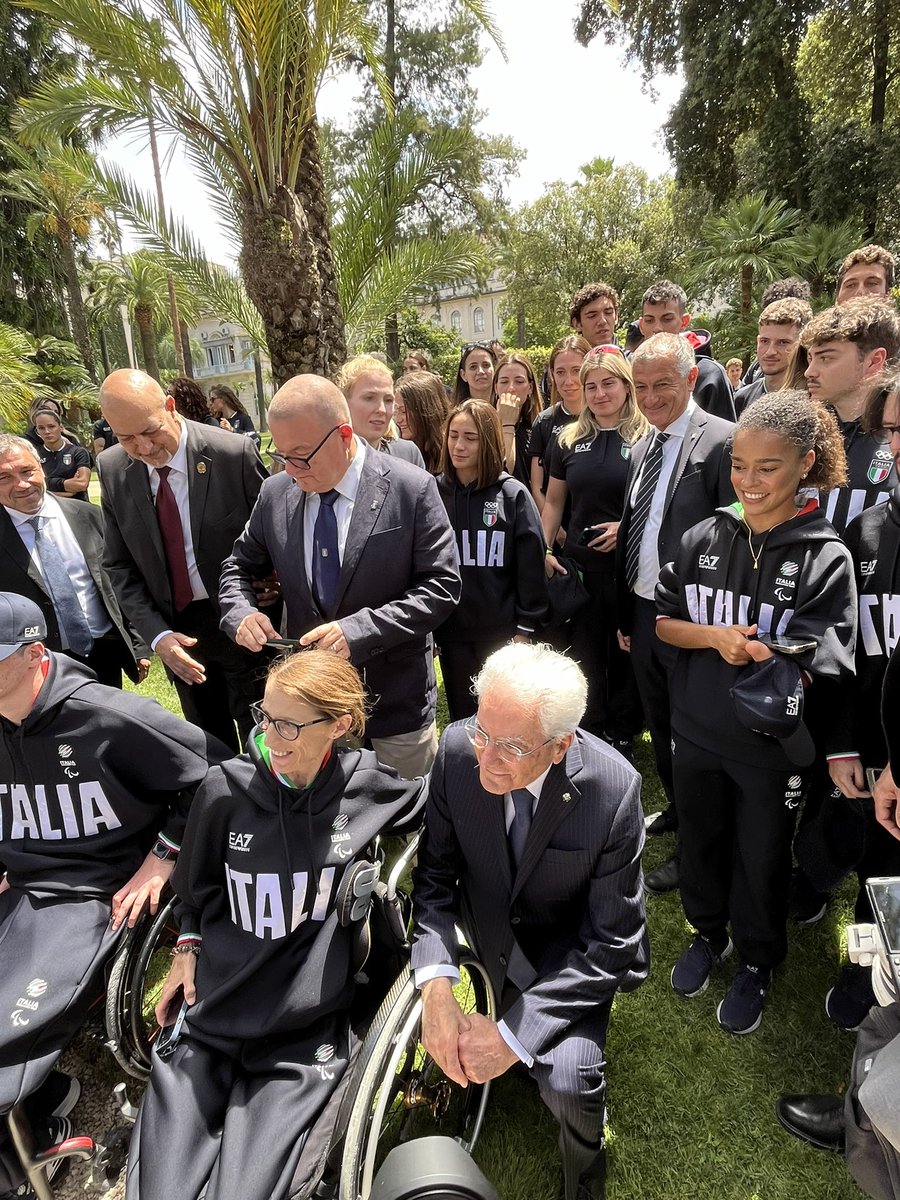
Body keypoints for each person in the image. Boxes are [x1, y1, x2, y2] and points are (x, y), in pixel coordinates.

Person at [124, 649, 427, 1200]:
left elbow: (438, 808)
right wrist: (187, 946)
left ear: (339, 725)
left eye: (289, 724)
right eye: (265, 717)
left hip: (300, 1029)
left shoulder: (369, 788)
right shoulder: (224, 790)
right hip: (215, 1010)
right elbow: (195, 887)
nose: (272, 736)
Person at [0, 593, 226, 1198]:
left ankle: (37, 1123)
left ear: (34, 654)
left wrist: (166, 856)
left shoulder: (108, 717)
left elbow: (220, 776)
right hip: (23, 882)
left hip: (90, 893)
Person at [411, 642, 649, 1200]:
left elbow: (613, 941)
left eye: (511, 746)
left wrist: (513, 1038)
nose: (487, 758)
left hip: (563, 965)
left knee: (569, 1080)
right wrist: (437, 990)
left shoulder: (613, 792)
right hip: (483, 940)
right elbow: (434, 880)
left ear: (561, 743)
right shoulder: (455, 752)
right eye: (482, 733)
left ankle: (584, 1181)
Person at [656, 393, 856, 1034]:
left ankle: (758, 961)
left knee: (763, 854)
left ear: (807, 464)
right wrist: (714, 638)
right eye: (739, 465)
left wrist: (773, 649)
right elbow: (664, 621)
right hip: (696, 728)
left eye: (767, 467)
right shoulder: (703, 535)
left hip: (770, 749)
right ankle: (707, 932)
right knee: (702, 841)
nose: (749, 480)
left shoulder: (826, 556)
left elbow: (831, 651)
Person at [218, 375, 460, 779]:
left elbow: (441, 586)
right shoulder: (275, 493)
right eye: (282, 456)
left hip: (393, 703)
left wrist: (359, 630)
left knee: (404, 822)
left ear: (344, 436)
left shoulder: (409, 488)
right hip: (309, 708)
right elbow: (238, 565)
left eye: (301, 455)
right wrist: (240, 613)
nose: (292, 470)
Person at [616, 333, 735, 893]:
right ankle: (681, 812)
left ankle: (697, 853)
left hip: (693, 620)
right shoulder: (643, 445)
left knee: (693, 736)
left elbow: (733, 536)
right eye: (641, 386)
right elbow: (640, 531)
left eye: (663, 383)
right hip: (644, 614)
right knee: (660, 725)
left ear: (691, 379)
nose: (651, 396)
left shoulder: (723, 442)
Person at [97, 369, 271, 751]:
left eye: (150, 431)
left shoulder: (232, 454)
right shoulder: (112, 469)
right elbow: (118, 565)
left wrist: (273, 583)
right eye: (126, 438)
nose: (143, 448)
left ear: (171, 408)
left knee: (266, 736)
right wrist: (157, 637)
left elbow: (276, 534)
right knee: (208, 744)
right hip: (177, 632)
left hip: (243, 619)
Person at [818, 370, 900, 1029]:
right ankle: (860, 985)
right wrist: (842, 740)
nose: (898, 445)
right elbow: (842, 648)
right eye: (894, 429)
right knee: (875, 885)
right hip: (868, 753)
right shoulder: (869, 530)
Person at [543, 347, 648, 751]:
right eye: (591, 386)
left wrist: (626, 528)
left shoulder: (646, 437)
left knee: (625, 650)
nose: (600, 393)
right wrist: (543, 548)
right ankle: (589, 724)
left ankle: (624, 729)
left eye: (609, 383)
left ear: (625, 385)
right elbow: (553, 502)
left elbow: (658, 502)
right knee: (584, 649)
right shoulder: (568, 439)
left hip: (630, 567)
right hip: (581, 568)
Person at [0, 434, 149, 688]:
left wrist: (138, 643)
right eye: (5, 478)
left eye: (27, 471)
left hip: (103, 653)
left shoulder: (89, 517)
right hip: (35, 666)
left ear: (42, 468)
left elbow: (122, 579)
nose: (22, 484)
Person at [434, 401, 547, 721]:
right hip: (452, 634)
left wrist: (525, 629)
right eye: (453, 435)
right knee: (462, 717)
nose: (458, 445)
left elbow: (531, 567)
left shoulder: (512, 494)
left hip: (502, 635)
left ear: (489, 442)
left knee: (503, 718)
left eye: (470, 437)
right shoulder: (433, 491)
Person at [802, 297, 900, 535]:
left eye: (826, 358)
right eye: (810, 358)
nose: (809, 372)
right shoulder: (802, 434)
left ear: (874, 361)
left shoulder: (893, 441)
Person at [638, 281, 736, 421]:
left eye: (667, 319)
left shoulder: (710, 374)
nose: (657, 328)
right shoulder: (631, 371)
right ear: (641, 325)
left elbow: (724, 437)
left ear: (684, 321)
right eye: (649, 320)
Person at [527, 335, 591, 520]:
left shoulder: (604, 418)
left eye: (576, 370)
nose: (568, 381)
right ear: (552, 375)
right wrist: (558, 534)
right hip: (555, 531)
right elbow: (537, 486)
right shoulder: (544, 421)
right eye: (561, 372)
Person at [336, 354, 425, 468]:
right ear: (344, 402)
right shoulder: (323, 459)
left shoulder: (408, 455)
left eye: (388, 400)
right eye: (369, 398)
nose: (381, 410)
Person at [733, 298, 813, 415]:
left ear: (803, 344)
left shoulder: (817, 399)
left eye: (782, 342)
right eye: (765, 341)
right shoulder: (742, 399)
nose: (770, 351)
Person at [493, 352, 543, 487]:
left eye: (519, 382)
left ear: (530, 387)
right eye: (504, 382)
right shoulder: (483, 425)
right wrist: (507, 423)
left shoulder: (540, 426)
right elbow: (504, 469)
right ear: (496, 387)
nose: (511, 388)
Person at [393, 370, 450, 474]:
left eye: (404, 411)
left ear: (425, 410)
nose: (398, 419)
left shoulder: (452, 453)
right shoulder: (397, 452)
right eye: (396, 411)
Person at [33, 408, 91, 501]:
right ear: (37, 431)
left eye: (51, 426)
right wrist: (67, 487)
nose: (47, 431)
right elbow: (35, 486)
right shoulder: (33, 455)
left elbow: (82, 484)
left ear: (60, 427)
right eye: (41, 428)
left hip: (78, 506)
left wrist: (49, 486)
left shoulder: (78, 452)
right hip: (48, 508)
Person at [569, 281, 619, 348]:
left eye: (608, 313)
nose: (602, 321)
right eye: (592, 316)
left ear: (616, 317)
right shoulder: (567, 358)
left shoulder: (632, 358)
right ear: (577, 324)